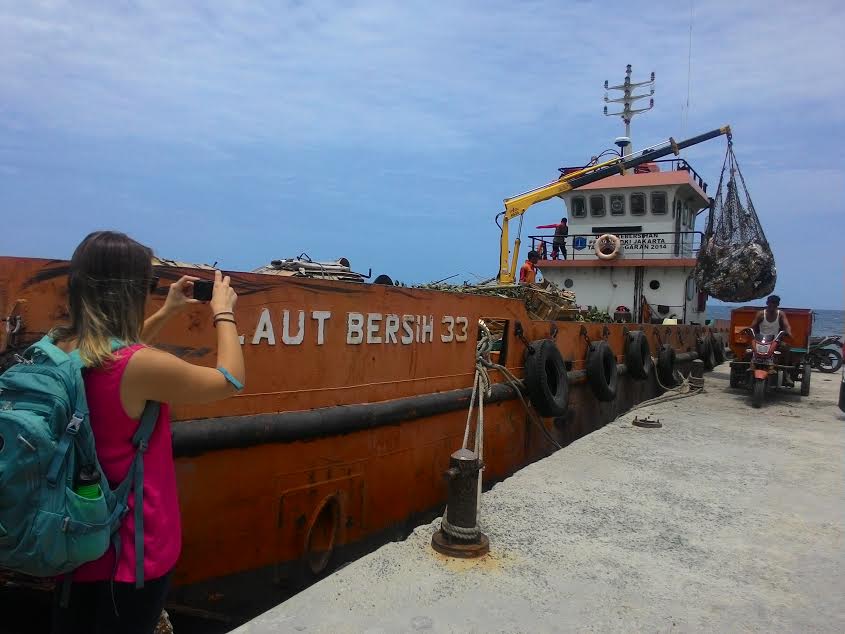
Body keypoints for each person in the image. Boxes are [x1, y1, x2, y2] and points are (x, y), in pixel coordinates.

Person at [50, 231, 245, 634]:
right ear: (130, 291)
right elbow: (228, 380)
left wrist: (170, 308)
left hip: (72, 546)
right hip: (131, 557)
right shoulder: (138, 368)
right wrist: (224, 313)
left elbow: (120, 349)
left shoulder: (60, 348)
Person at [751, 294, 794, 385]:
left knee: (786, 348)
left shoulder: (781, 314)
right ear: (767, 303)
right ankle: (749, 368)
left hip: (775, 341)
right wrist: (749, 330)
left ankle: (786, 373)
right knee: (748, 350)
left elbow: (787, 325)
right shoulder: (761, 314)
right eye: (770, 303)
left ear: (778, 304)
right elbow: (753, 325)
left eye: (774, 303)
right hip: (760, 341)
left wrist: (788, 332)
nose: (772, 305)